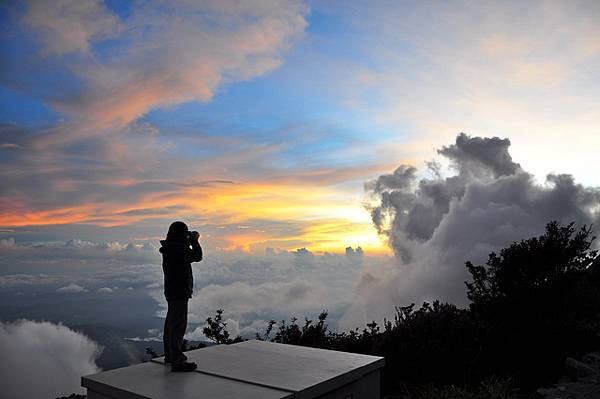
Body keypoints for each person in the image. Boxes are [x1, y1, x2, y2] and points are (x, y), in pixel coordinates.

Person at [159, 221, 203, 372]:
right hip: (179, 291)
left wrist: (188, 241)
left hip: (172, 290)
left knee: (171, 323)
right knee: (178, 324)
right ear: (181, 235)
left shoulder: (170, 248)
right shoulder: (178, 248)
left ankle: (170, 355)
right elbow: (197, 256)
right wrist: (195, 241)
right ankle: (177, 360)